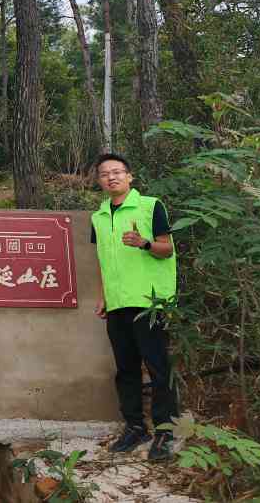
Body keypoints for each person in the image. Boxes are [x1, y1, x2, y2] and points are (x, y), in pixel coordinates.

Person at [91, 153, 178, 462]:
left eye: (117, 172)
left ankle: (165, 431)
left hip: (148, 301)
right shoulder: (99, 217)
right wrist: (103, 295)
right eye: (105, 174)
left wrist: (144, 243)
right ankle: (136, 427)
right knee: (126, 369)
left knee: (157, 367)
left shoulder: (151, 206)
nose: (111, 177)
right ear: (99, 181)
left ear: (130, 176)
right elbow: (103, 260)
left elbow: (167, 249)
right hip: (117, 302)